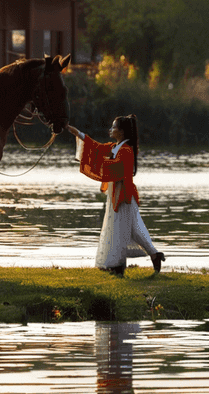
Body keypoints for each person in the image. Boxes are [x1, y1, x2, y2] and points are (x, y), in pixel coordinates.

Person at [67, 115, 165, 276]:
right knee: (133, 229)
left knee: (120, 229)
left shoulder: (126, 150)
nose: (111, 130)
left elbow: (118, 170)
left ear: (122, 131)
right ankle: (154, 255)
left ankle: (117, 265)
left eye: (114, 127)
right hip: (117, 192)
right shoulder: (116, 147)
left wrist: (100, 162)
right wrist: (77, 133)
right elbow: (97, 147)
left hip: (124, 195)